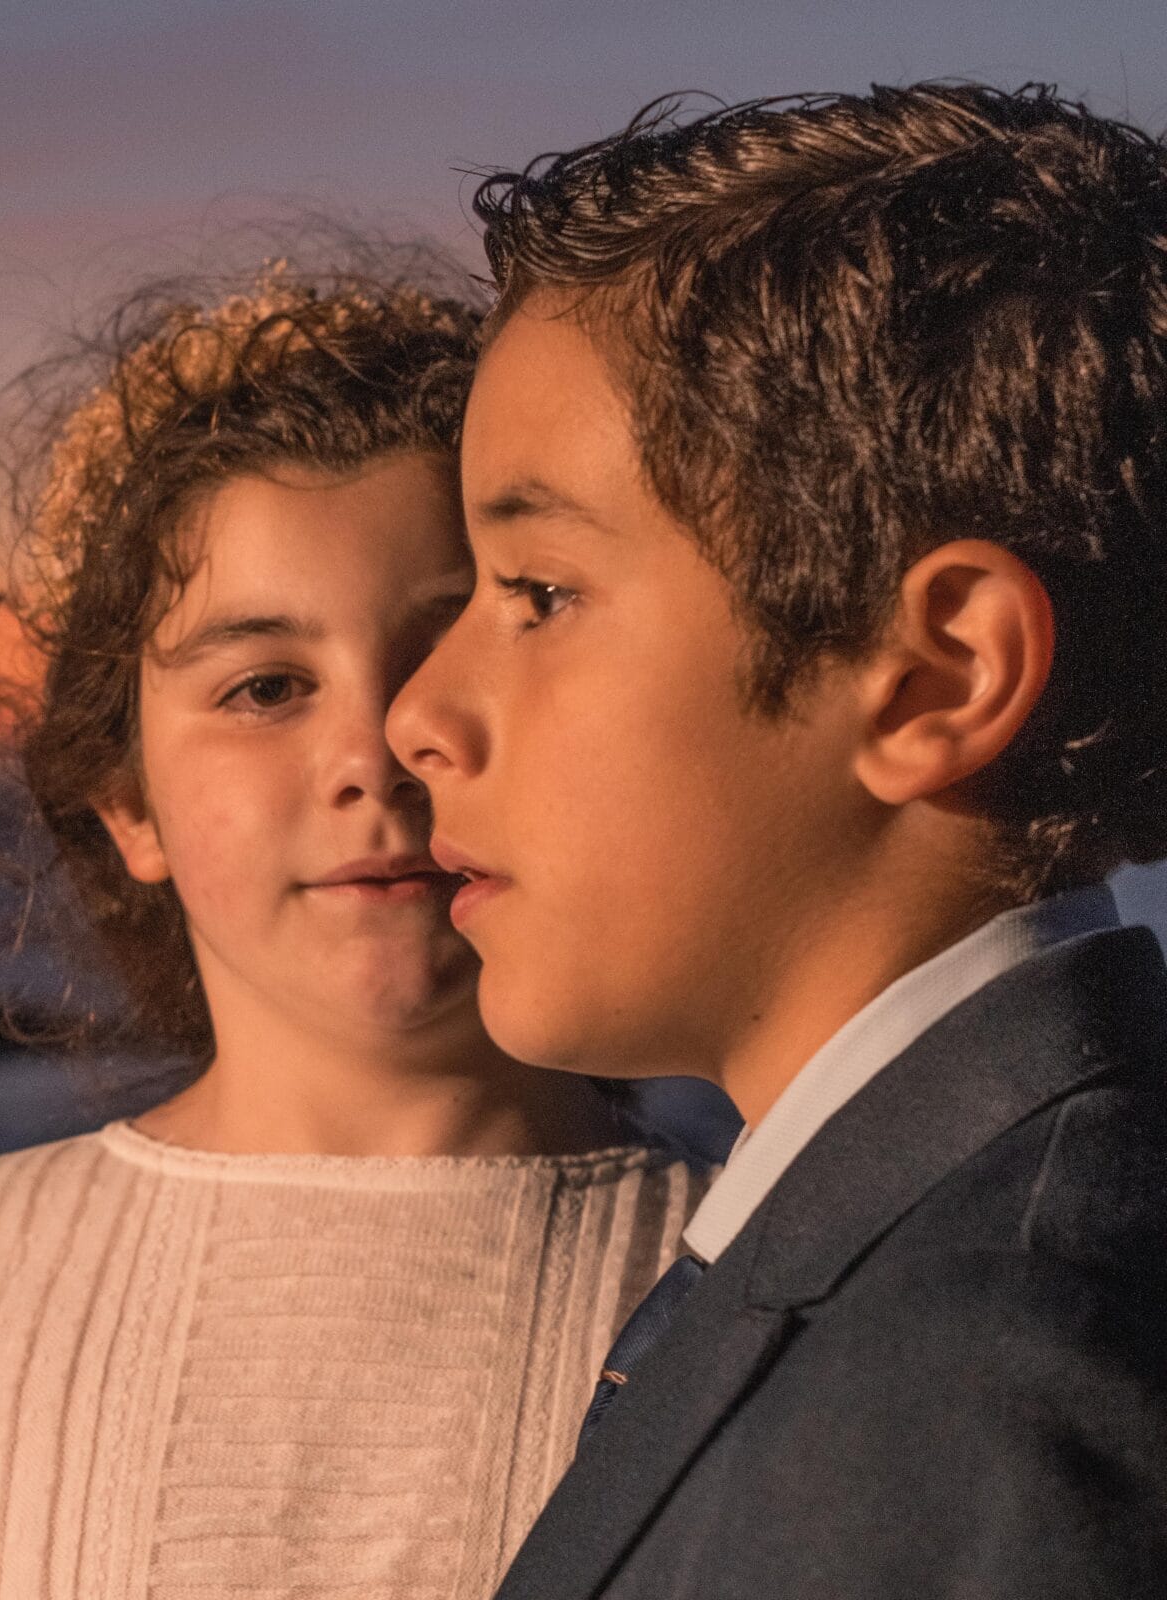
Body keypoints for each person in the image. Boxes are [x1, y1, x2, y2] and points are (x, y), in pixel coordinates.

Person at [0, 252, 707, 1599]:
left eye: (456, 642)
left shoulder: (764, 1290)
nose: (380, 748)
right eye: (267, 686)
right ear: (128, 805)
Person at [387, 83, 1167, 1598]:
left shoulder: (999, 1389)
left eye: (538, 592)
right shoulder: (905, 1245)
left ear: (938, 674)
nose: (420, 712)